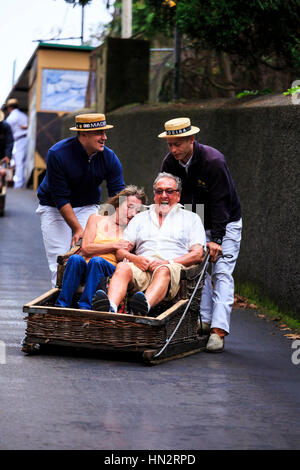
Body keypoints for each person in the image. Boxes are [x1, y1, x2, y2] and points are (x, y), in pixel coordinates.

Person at [159, 117, 242, 352]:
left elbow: (221, 202)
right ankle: (204, 322)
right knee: (197, 272)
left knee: (222, 272)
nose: (173, 150)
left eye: (178, 144)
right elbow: (170, 199)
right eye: (170, 145)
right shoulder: (170, 163)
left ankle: (218, 330)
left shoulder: (213, 161)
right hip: (195, 222)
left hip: (225, 220)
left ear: (191, 140)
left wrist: (216, 239)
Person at [92, 173, 206, 317]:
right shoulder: (140, 218)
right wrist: (135, 259)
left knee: (164, 270)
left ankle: (141, 308)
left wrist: (166, 262)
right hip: (142, 268)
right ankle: (110, 309)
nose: (164, 195)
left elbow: (197, 254)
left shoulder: (191, 218)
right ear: (154, 195)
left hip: (173, 270)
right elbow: (121, 252)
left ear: (178, 195)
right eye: (159, 191)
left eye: (169, 191)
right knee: (123, 266)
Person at [36, 113, 126, 288]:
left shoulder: (109, 157)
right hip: (54, 207)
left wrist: (116, 226)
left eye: (105, 132)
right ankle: (60, 302)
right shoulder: (57, 153)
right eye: (99, 133)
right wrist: (77, 229)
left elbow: (119, 195)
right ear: (83, 134)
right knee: (60, 260)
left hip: (87, 206)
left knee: (89, 254)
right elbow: (60, 197)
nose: (104, 137)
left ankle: (86, 301)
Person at [55, 186, 147, 310]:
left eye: (138, 211)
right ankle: (61, 305)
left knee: (96, 261)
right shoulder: (96, 219)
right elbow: (86, 248)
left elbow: (127, 255)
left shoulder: (131, 231)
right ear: (118, 204)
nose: (133, 213)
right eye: (130, 207)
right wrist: (114, 245)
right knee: (75, 259)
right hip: (86, 264)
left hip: (109, 270)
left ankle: (85, 307)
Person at [5, 98, 28, 188]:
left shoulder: (11, 118)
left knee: (18, 163)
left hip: (18, 141)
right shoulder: (23, 115)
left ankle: (18, 184)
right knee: (17, 163)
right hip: (24, 140)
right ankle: (18, 182)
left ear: (9, 108)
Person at [0, 110, 14, 190]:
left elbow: (9, 142)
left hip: (2, 154)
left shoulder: (6, 127)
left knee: (3, 174)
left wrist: (7, 156)